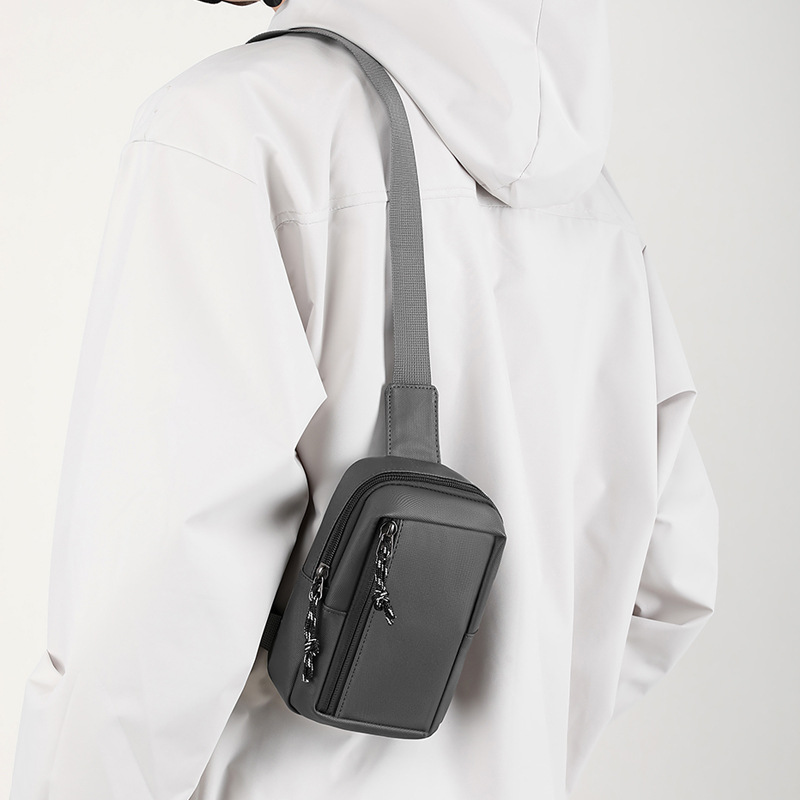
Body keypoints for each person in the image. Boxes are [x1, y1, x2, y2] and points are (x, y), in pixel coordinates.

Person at [9, 0, 719, 798]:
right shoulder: (597, 207)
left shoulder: (231, 130)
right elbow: (671, 579)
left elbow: (145, 635)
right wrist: (506, 733)